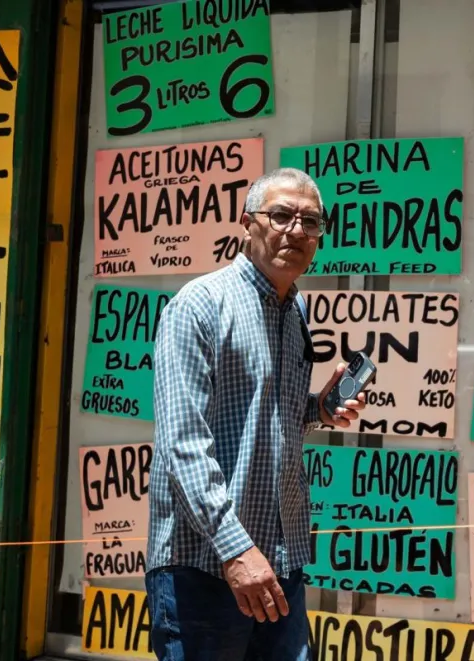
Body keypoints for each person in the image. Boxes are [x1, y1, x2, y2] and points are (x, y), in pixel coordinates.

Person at [146, 167, 366, 661]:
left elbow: (262, 417)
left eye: (311, 222)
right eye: (282, 215)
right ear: (247, 223)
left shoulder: (296, 310)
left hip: (279, 561)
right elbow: (183, 443)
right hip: (203, 566)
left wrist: (318, 411)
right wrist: (235, 550)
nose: (296, 231)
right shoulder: (199, 306)